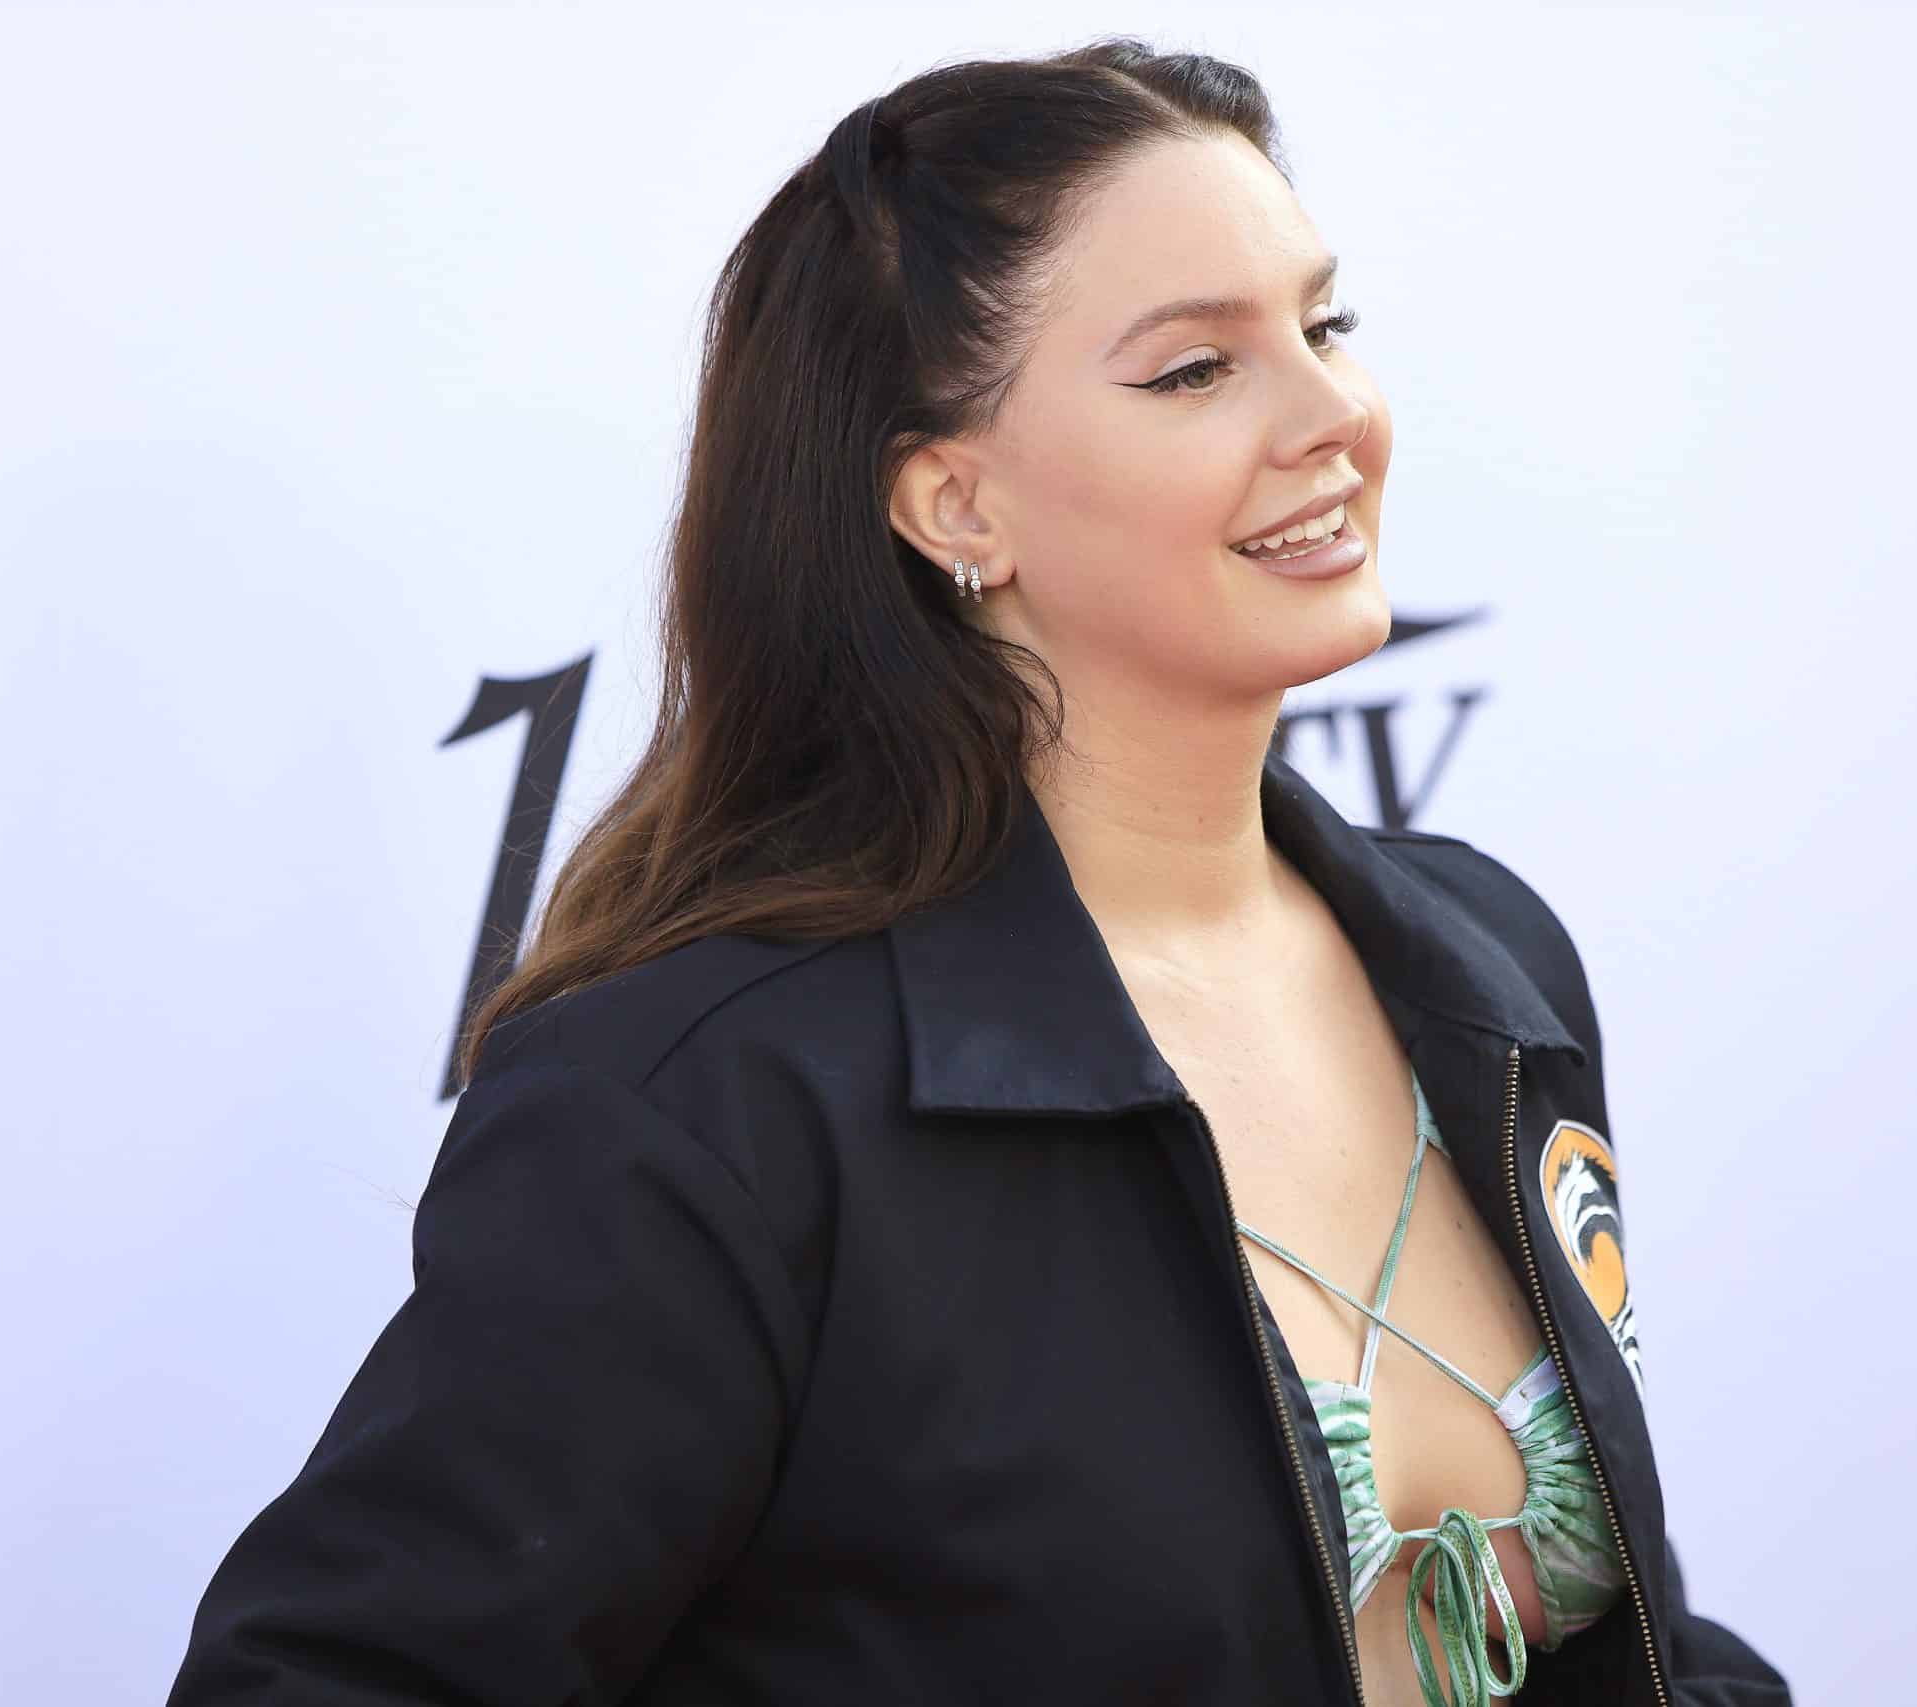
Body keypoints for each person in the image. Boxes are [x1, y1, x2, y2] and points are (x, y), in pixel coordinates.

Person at [168, 35, 1791, 1707]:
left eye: (1324, 327)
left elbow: (1629, 1643)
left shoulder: (1481, 957)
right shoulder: (712, 1097)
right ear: (954, 504)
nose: (1334, 418)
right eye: (1196, 372)